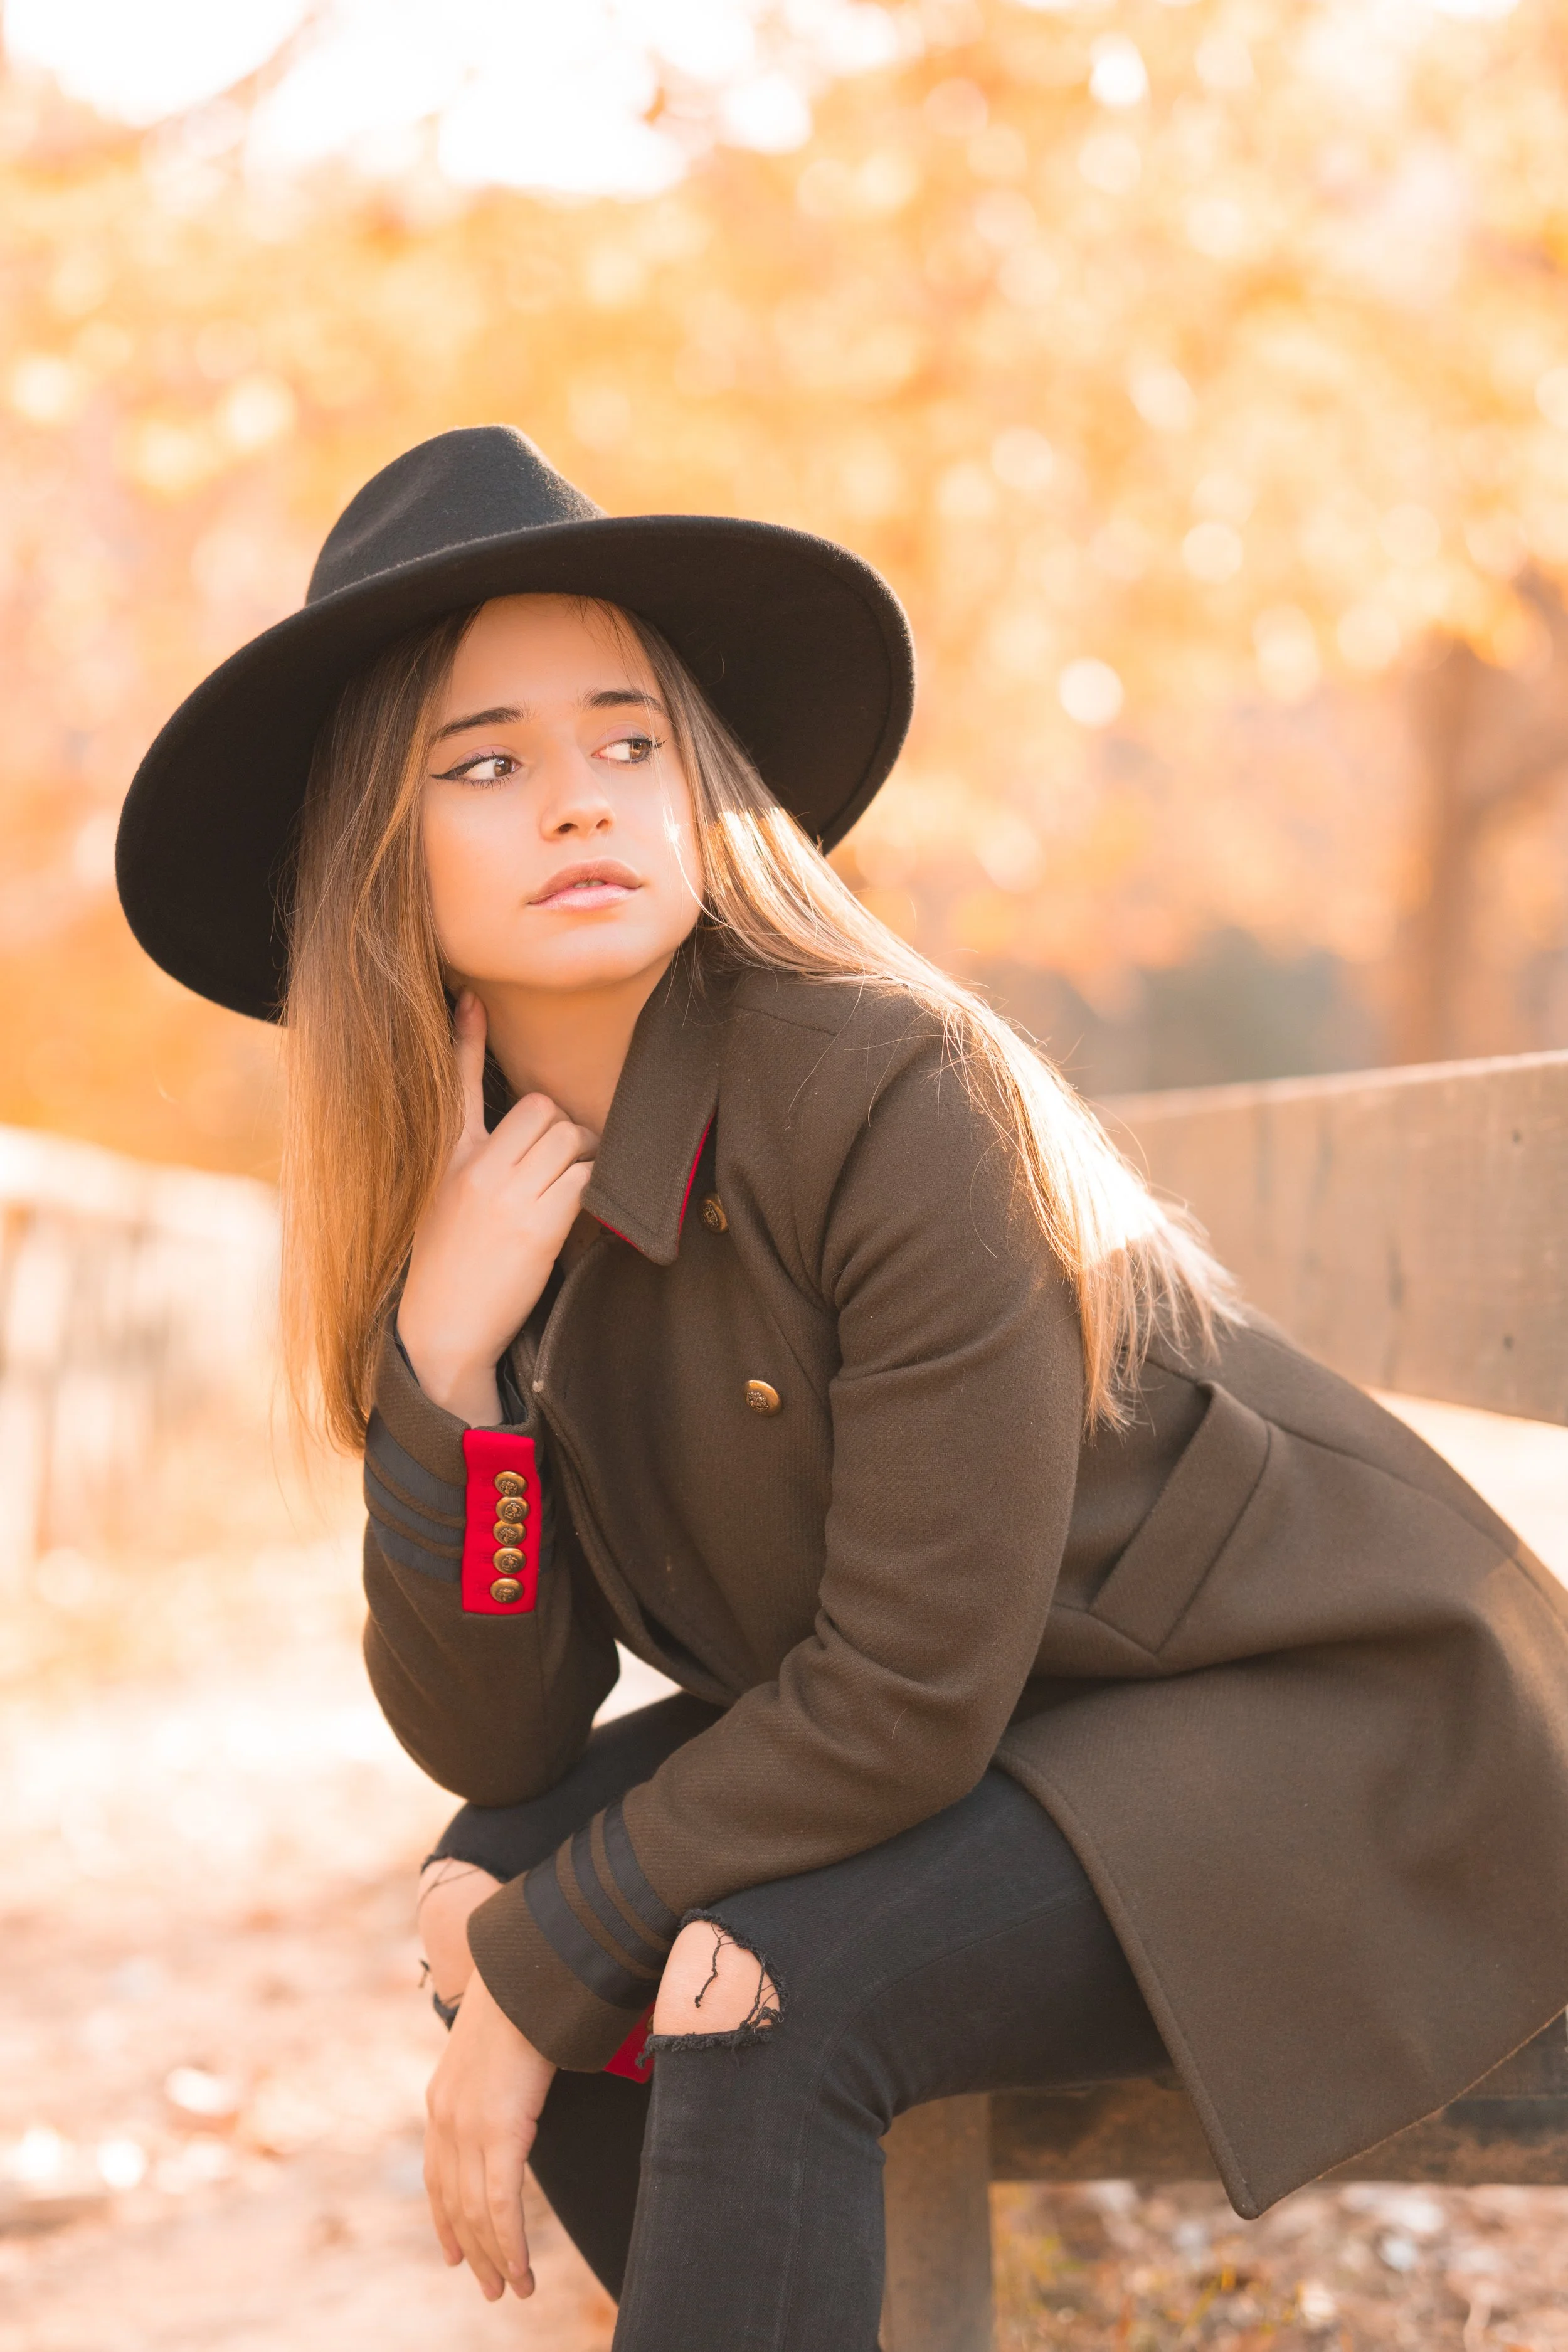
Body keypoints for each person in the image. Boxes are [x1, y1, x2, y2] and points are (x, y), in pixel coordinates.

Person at [117, 425, 1568, 2351]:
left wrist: (550, 1979)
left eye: (629, 742)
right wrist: (445, 1371)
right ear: (372, 856)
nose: (579, 803)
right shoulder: (480, 1194)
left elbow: (900, 1691)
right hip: (1031, 1736)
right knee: (479, 1883)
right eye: (486, 763)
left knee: (748, 1975)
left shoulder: (889, 1088)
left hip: (1324, 1731)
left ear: (699, 780)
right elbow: (502, 1732)